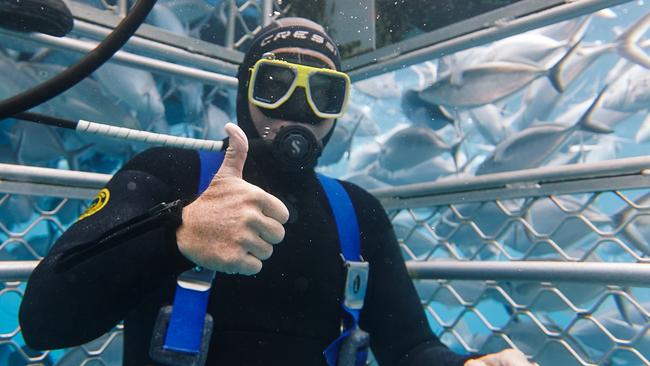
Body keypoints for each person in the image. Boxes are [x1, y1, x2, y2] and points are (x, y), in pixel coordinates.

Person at [18, 17, 533, 366]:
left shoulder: (360, 214)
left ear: (338, 110)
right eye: (275, 84)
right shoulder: (166, 175)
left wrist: (472, 363)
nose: (297, 109)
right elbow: (44, 321)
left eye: (322, 93)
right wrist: (174, 234)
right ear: (244, 93)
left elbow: (412, 348)